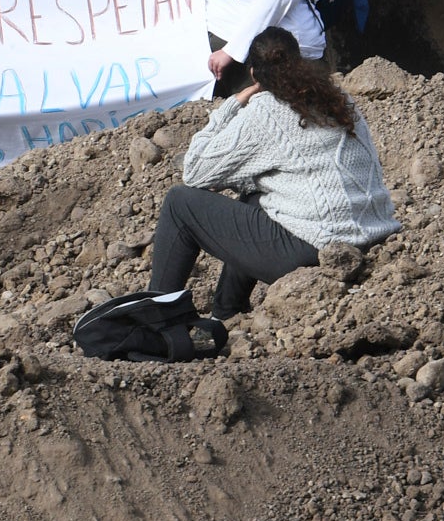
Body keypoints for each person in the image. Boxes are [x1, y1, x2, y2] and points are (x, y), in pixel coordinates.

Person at [150, 27, 400, 319]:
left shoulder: (266, 111)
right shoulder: (338, 98)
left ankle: (156, 319)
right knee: (254, 196)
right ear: (300, 61)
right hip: (370, 234)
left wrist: (233, 104)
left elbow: (194, 171)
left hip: (314, 248)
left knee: (180, 202)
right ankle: (227, 313)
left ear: (254, 74)